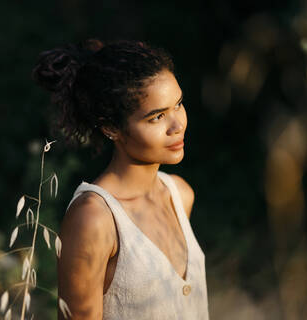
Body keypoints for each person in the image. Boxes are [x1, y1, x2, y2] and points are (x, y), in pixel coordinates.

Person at [32, 39, 209, 320]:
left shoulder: (180, 194)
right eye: (157, 117)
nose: (177, 125)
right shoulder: (94, 218)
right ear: (112, 127)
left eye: (178, 104)